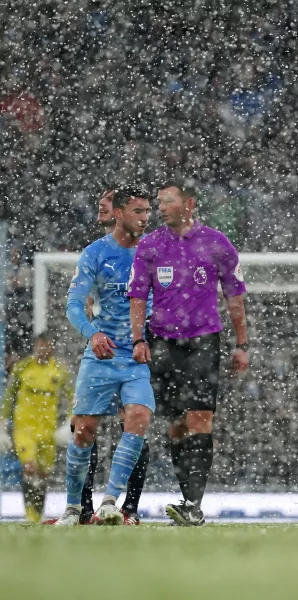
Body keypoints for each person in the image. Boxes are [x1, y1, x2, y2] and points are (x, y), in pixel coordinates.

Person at [128, 182, 249, 527]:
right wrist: (139, 340)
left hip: (203, 341)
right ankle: (187, 502)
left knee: (200, 419)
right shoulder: (150, 245)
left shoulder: (217, 243)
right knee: (176, 426)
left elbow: (235, 297)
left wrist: (241, 344)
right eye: (159, 202)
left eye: (168, 201)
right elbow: (137, 297)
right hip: (163, 342)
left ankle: (193, 505)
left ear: (189, 204)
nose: (161, 207)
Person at [55, 188, 157, 526]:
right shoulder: (95, 254)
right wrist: (92, 334)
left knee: (139, 416)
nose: (145, 218)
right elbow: (72, 305)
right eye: (139, 211)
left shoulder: (154, 252)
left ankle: (111, 502)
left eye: (147, 211)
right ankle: (73, 508)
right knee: (83, 430)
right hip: (101, 353)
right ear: (120, 213)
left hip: (137, 354)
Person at [0, 333, 73, 522]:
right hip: (24, 428)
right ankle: (30, 516)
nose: (43, 349)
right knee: (29, 468)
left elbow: (73, 396)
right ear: (34, 347)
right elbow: (9, 397)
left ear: (51, 347)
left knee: (42, 475)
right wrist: (1, 423)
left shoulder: (59, 371)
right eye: (40, 345)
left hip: (48, 431)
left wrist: (70, 422)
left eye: (46, 345)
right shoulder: (23, 368)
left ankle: (38, 515)